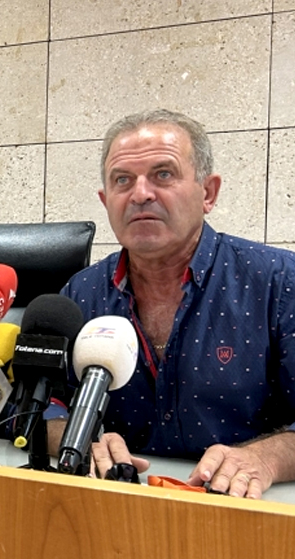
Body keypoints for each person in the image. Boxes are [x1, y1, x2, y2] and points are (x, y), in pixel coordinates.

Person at [53, 109, 295, 499]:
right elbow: (45, 402)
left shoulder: (280, 282)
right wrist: (75, 436)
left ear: (208, 193)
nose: (141, 193)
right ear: (105, 200)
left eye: (163, 174)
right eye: (122, 180)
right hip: (115, 505)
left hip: (247, 512)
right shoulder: (80, 294)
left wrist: (266, 458)